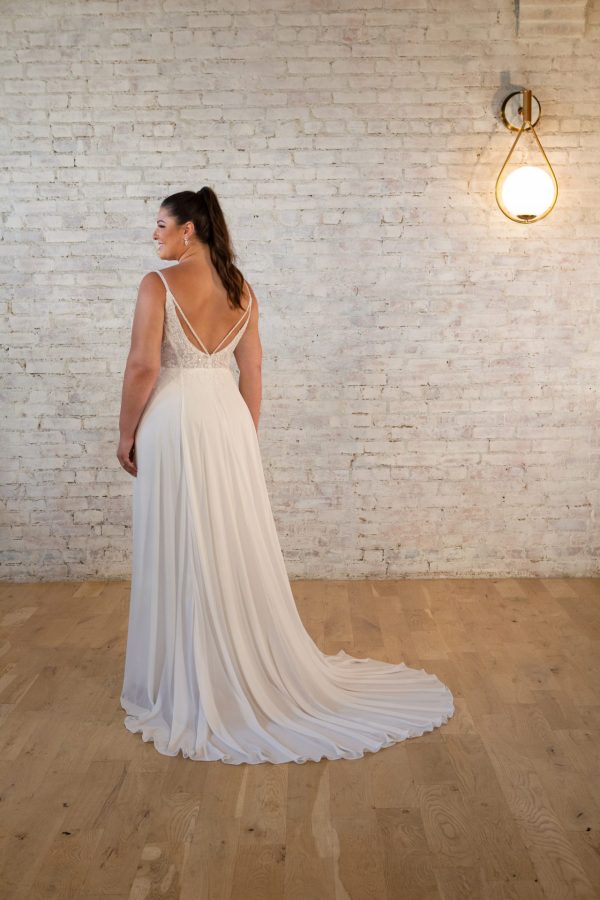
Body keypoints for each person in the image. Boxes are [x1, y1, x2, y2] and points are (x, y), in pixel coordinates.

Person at [117, 186, 454, 765]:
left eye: (161, 225)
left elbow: (145, 364)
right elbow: (253, 366)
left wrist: (125, 433)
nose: (155, 236)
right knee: (227, 538)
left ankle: (187, 673)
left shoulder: (158, 283)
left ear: (188, 230)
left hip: (175, 419)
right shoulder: (242, 288)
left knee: (181, 537)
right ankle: (228, 663)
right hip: (225, 417)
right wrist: (244, 428)